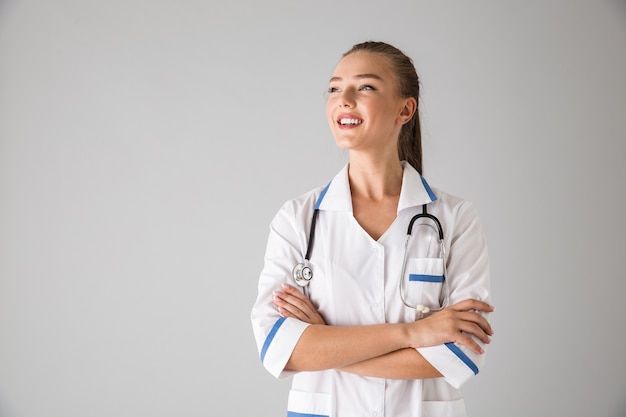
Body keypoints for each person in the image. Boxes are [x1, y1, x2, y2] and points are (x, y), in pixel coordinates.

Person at [250, 41, 493, 417]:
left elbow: (456, 354)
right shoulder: (297, 219)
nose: (343, 99)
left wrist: (327, 345)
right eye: (334, 88)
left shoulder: (455, 218)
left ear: (405, 109)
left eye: (365, 87)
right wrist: (413, 335)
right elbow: (279, 348)